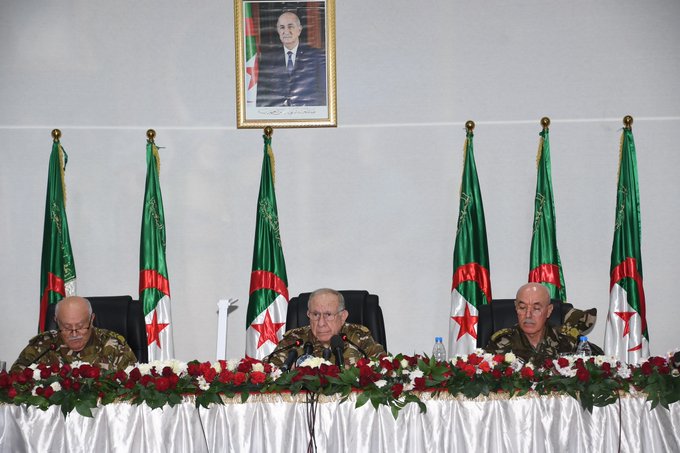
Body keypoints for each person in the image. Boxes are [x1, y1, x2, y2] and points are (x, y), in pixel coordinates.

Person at [10, 296, 137, 373]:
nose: (74, 333)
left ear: (91, 319)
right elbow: (13, 382)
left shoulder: (114, 345)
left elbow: (135, 386)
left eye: (81, 326)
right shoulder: (41, 346)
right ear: (56, 321)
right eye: (66, 327)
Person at [484, 283, 599, 366]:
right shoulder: (500, 341)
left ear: (549, 311)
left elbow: (599, 367)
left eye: (536, 308)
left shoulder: (566, 339)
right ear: (516, 308)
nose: (528, 315)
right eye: (522, 307)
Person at [266, 288, 385, 367]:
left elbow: (385, 367)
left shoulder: (359, 337)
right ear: (308, 315)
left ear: (343, 316)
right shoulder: (294, 340)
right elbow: (266, 371)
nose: (321, 323)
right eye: (316, 314)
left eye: (328, 315)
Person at [256, 10, 326, 107]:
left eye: (290, 26)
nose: (286, 31)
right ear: (278, 30)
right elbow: (262, 94)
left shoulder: (315, 56)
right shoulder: (268, 59)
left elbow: (323, 92)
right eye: (282, 27)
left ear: (299, 30)